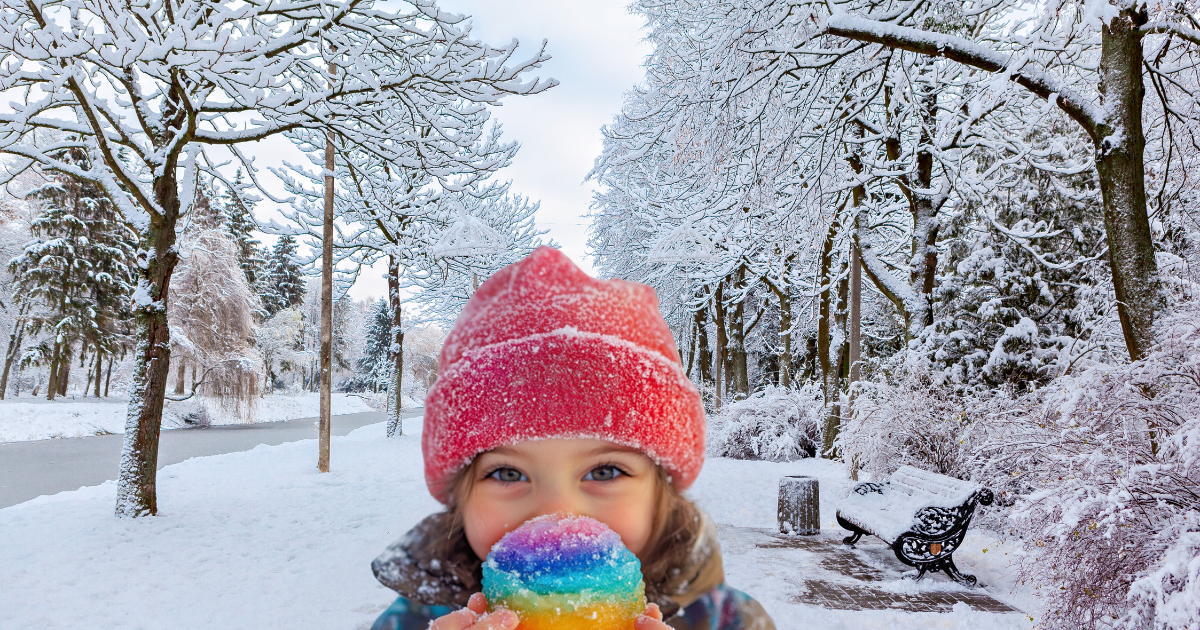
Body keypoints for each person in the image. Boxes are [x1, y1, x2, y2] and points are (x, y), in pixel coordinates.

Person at [369, 247, 776, 630]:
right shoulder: (410, 622)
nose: (558, 514)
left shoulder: (731, 620)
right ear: (460, 498)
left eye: (605, 470)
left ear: (661, 494)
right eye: (508, 473)